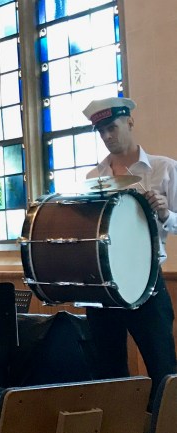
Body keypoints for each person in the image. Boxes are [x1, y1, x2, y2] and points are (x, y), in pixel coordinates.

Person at [81, 97, 177, 401]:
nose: (107, 136)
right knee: (107, 369)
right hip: (104, 282)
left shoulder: (164, 168)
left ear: (130, 122)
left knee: (162, 364)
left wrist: (165, 213)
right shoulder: (94, 177)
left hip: (147, 279)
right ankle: (119, 419)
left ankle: (167, 420)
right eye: (101, 131)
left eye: (112, 127)